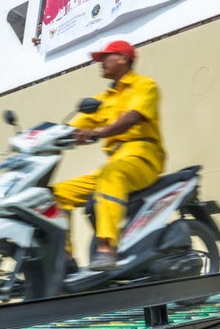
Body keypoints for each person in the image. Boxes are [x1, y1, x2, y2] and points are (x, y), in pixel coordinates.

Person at [52, 40, 166, 271]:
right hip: (115, 163)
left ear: (123, 58)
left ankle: (107, 248)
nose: (101, 63)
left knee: (110, 176)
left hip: (143, 158)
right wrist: (47, 137)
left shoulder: (145, 86)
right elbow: (75, 127)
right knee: (56, 194)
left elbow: (133, 117)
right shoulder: (103, 99)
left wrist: (98, 132)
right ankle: (65, 259)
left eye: (106, 57)